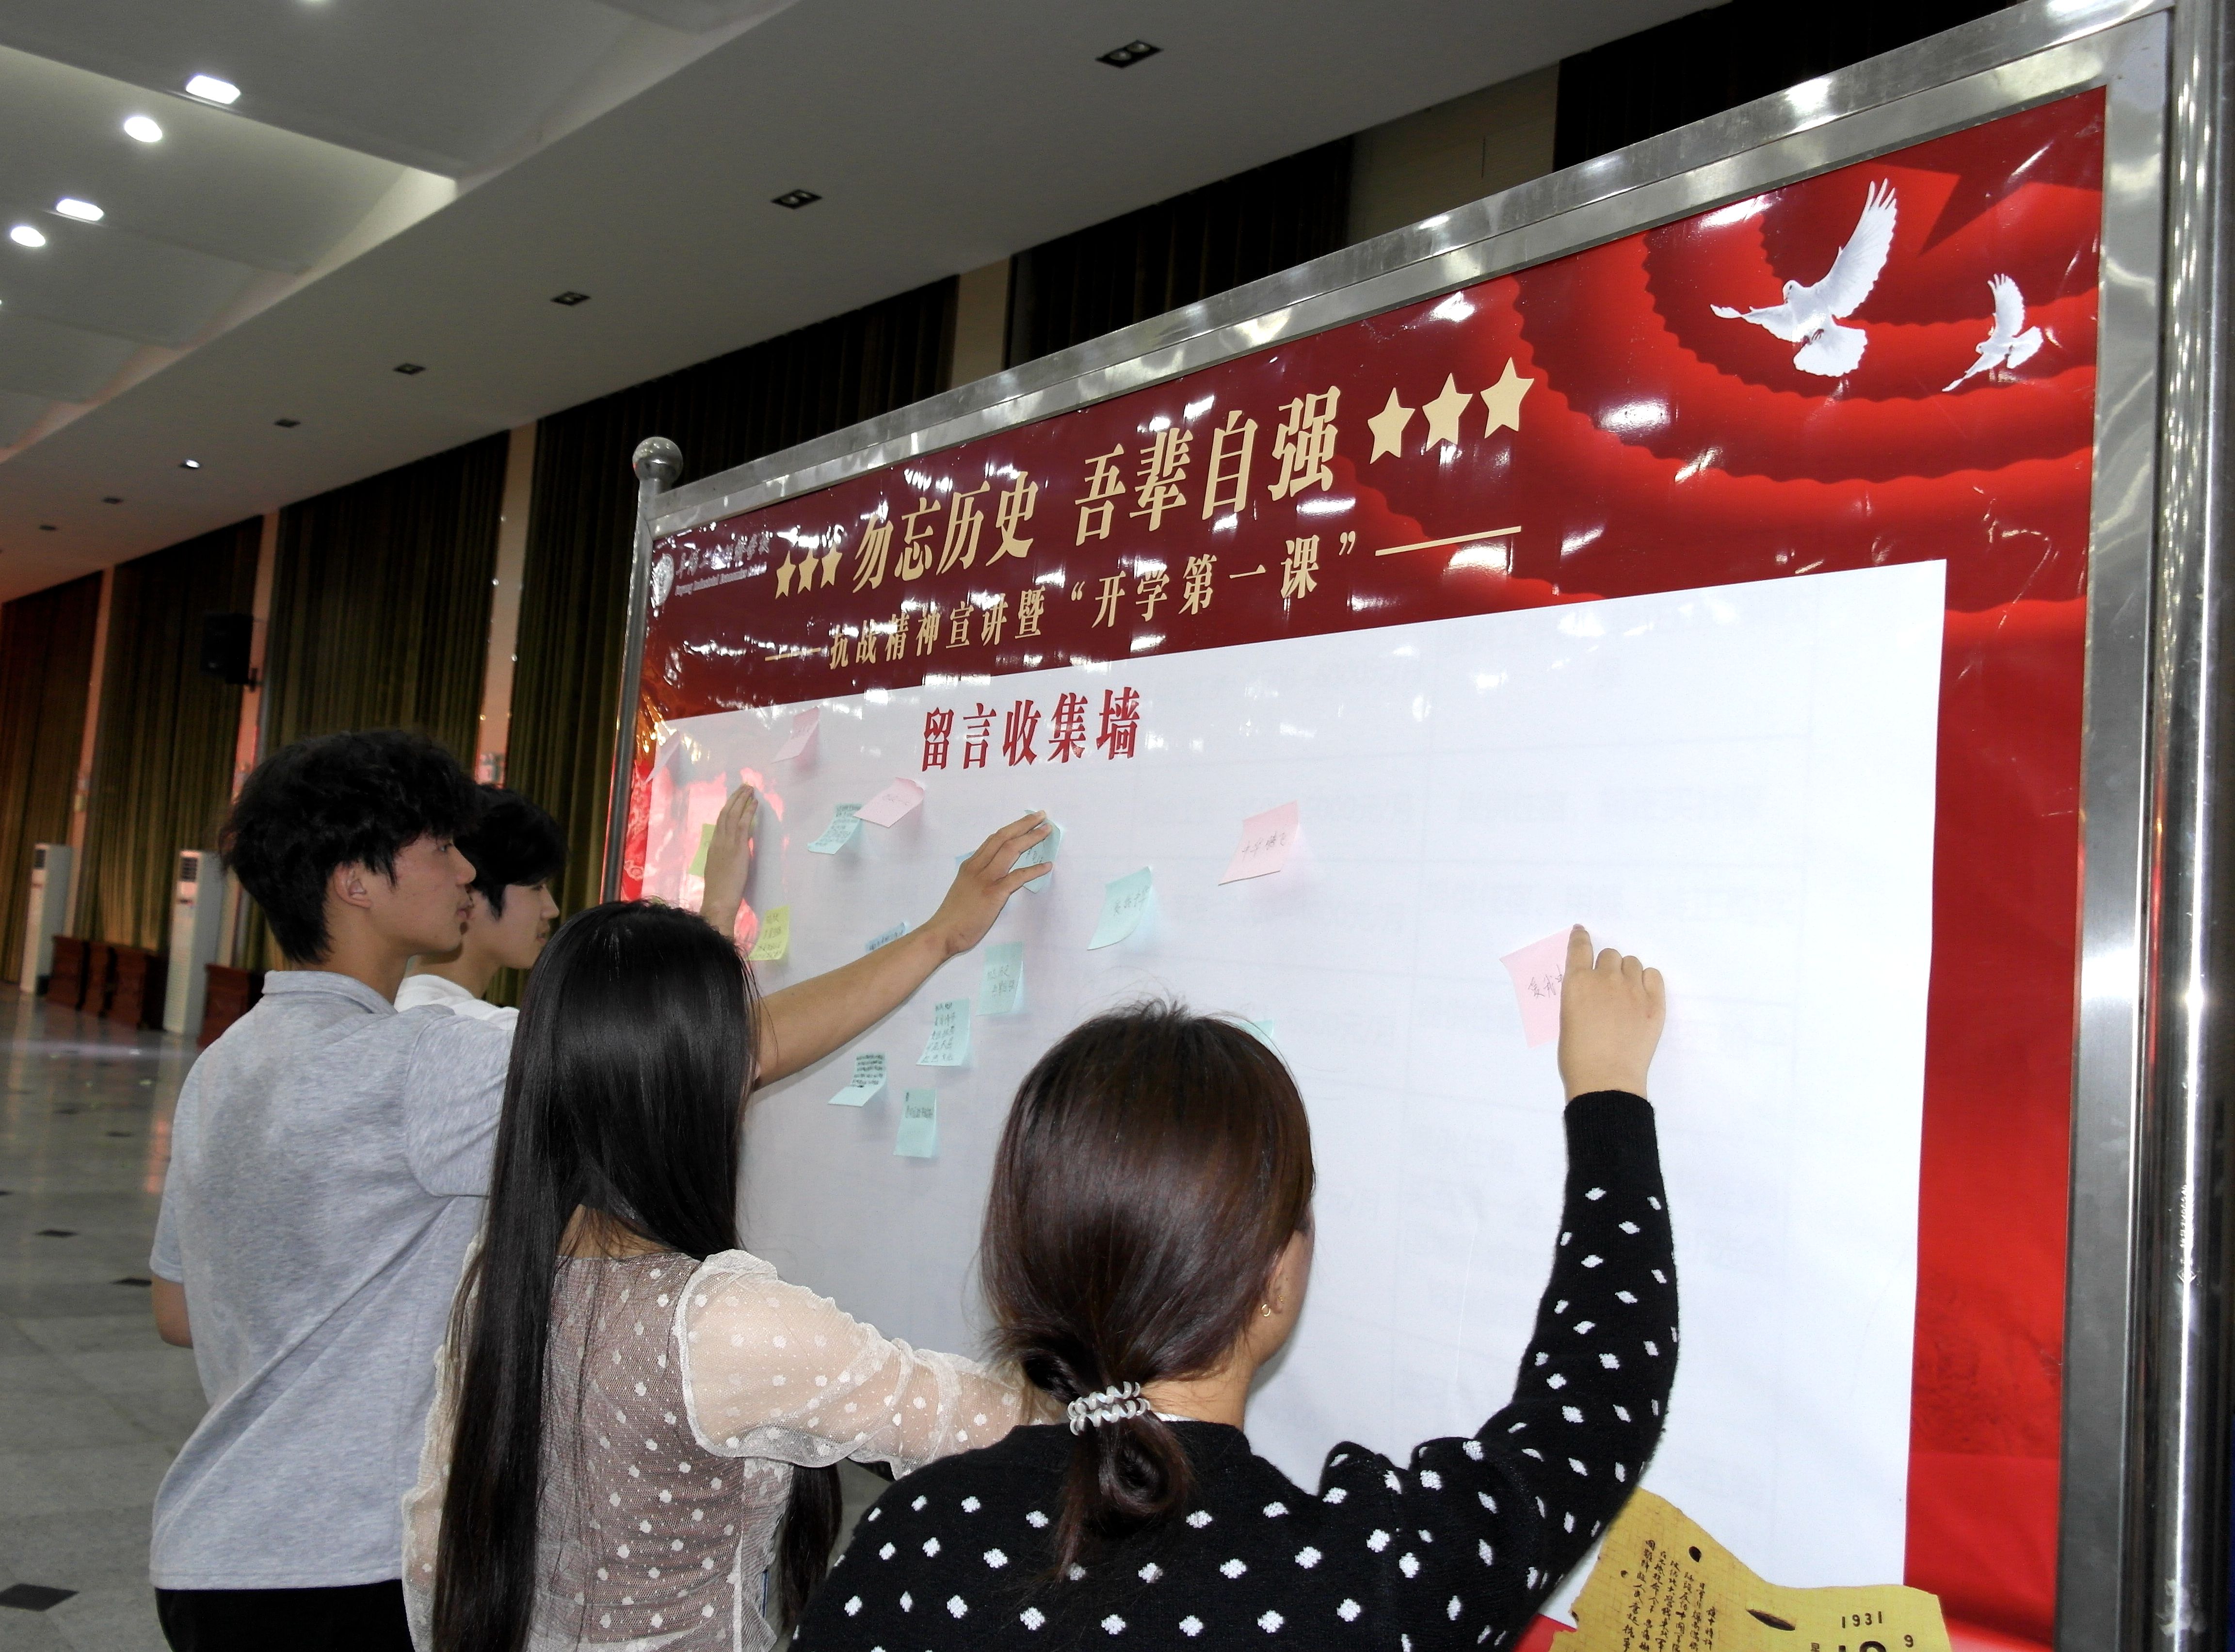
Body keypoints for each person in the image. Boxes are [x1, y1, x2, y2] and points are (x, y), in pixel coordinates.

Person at [146, 728, 1051, 1652]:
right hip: (347, 1563)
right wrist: (937, 936)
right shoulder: (417, 1064)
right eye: (439, 846)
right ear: (355, 882)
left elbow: (176, 1310)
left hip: (210, 1544)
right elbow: (706, 1055)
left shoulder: (224, 1064)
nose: (465, 870)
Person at [793, 926, 1672, 1649]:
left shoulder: (915, 1532)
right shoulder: (1361, 1586)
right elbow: (1594, 1407)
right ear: (1272, 1277)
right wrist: (1609, 1093)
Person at [402, 901, 1042, 1652]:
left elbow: (433, 1545)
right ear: (696, 1082)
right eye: (741, 1045)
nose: (754, 1065)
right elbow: (987, 1421)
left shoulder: (502, 1271)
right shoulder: (719, 1323)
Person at [396, 786, 568, 1026]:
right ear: (467, 891)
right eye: (537, 888)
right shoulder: (485, 1029)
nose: (551, 910)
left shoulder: (395, 1003)